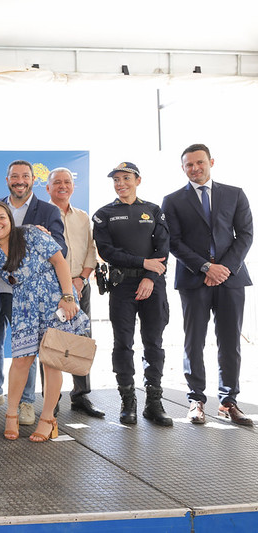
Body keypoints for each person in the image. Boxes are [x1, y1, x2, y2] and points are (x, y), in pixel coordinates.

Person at [0, 201, 89, 441]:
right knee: (21, 361)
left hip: (55, 301)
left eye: (1, 217)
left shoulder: (30, 234)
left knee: (51, 362)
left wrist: (68, 297)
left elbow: (59, 261)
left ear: (10, 219)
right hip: (24, 306)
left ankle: (48, 418)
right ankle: (11, 414)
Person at [162, 144, 253, 426]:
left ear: (211, 162)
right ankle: (196, 400)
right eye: (189, 164)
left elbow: (245, 234)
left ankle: (228, 401)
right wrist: (205, 267)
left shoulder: (235, 194)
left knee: (230, 342)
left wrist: (223, 269)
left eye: (199, 162)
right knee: (194, 342)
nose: (195, 168)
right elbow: (173, 242)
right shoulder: (172, 200)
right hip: (194, 279)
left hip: (231, 278)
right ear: (183, 168)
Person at [0, 160, 67, 427]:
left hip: (44, 297)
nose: (20, 180)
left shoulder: (47, 211)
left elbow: (59, 251)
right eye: (14, 176)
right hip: (2, 290)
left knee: (46, 359)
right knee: (3, 348)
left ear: (33, 179)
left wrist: (68, 295)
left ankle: (29, 405)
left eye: (25, 176)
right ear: (7, 179)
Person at [93, 162, 172, 427]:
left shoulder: (154, 210)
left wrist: (149, 276)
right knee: (123, 344)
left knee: (154, 343)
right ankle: (128, 401)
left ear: (138, 180)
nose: (121, 183)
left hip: (153, 284)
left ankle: (154, 402)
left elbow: (163, 249)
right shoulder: (104, 214)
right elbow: (107, 252)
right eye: (116, 179)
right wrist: (142, 263)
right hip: (122, 285)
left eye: (126, 178)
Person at [45, 167, 105, 418]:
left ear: (73, 186)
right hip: (53, 289)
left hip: (81, 286)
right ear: (48, 188)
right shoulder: (43, 214)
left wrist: (81, 279)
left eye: (67, 182)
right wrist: (65, 285)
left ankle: (81, 396)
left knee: (82, 339)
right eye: (57, 182)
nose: (63, 186)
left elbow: (91, 250)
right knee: (52, 343)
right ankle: (52, 399)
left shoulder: (82, 216)